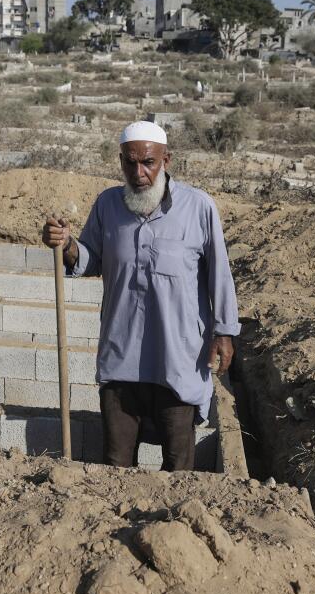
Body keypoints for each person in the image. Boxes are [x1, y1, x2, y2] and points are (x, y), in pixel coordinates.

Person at [41, 121, 240, 471]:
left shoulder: (199, 208)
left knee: (179, 469)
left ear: (166, 159)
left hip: (178, 358)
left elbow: (219, 274)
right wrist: (68, 246)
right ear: (121, 162)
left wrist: (224, 332)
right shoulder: (107, 206)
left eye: (148, 162)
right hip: (122, 358)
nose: (139, 173)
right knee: (116, 466)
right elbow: (90, 259)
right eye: (130, 163)